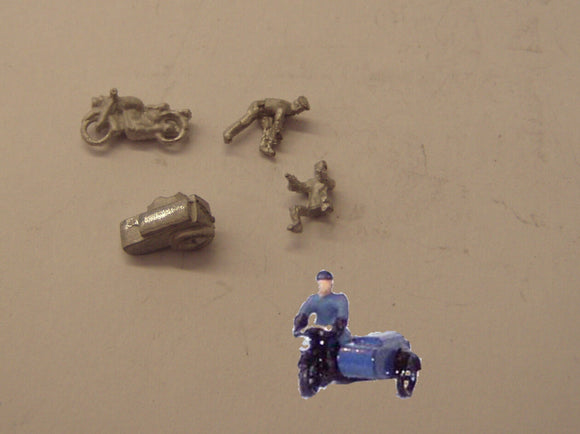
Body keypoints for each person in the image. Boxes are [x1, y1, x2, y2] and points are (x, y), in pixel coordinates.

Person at [222, 96, 310, 157]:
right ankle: (228, 133)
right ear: (297, 106)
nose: (299, 112)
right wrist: (276, 133)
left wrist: (276, 133)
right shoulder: (284, 108)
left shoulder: (289, 109)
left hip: (267, 114)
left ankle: (264, 146)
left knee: (268, 127)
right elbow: (278, 121)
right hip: (258, 107)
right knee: (246, 121)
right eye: (301, 109)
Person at [293, 270, 351, 344]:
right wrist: (298, 328)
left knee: (333, 345)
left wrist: (334, 331)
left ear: (331, 283)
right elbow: (302, 315)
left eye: (327, 283)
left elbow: (342, 320)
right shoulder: (313, 299)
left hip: (336, 335)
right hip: (319, 333)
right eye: (322, 283)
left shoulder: (340, 299)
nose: (325, 286)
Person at [285, 160, 335, 233]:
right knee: (294, 209)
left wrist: (325, 178)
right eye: (318, 170)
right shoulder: (311, 182)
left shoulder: (326, 182)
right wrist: (293, 181)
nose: (320, 172)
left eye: (322, 170)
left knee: (326, 203)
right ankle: (297, 225)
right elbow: (301, 187)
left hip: (322, 207)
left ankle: (326, 207)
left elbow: (332, 185)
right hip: (310, 209)